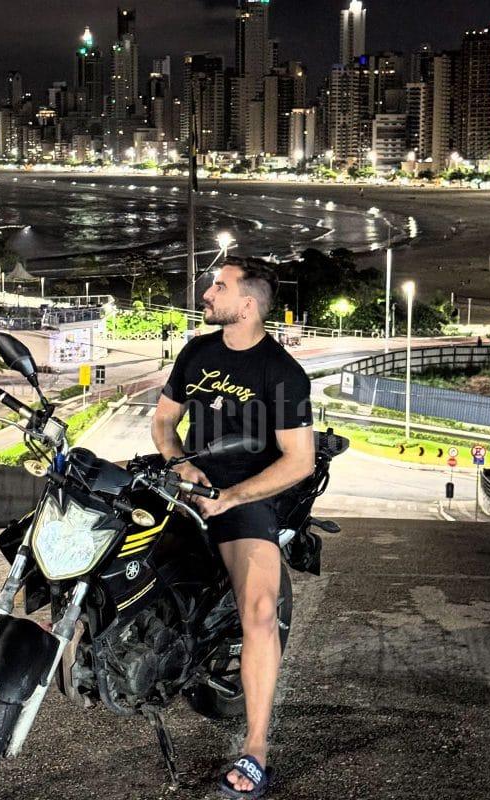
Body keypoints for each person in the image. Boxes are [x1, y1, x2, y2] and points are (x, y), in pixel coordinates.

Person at [151, 256, 315, 798]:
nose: (207, 293)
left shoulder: (281, 372)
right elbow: (164, 421)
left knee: (260, 614)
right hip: (184, 480)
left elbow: (299, 461)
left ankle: (256, 747)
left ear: (246, 304)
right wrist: (179, 464)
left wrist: (234, 496)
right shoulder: (197, 352)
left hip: (245, 495)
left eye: (218, 286)